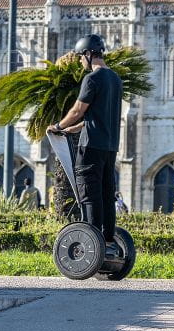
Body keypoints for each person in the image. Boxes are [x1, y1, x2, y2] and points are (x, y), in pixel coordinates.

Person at [48, 34, 124, 256]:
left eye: (82, 57)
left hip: (90, 148)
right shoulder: (115, 79)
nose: (81, 62)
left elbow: (78, 110)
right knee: (106, 195)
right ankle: (108, 242)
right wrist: (74, 129)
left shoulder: (92, 79)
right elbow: (98, 115)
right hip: (109, 148)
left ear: (89, 54)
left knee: (89, 195)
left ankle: (93, 245)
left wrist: (59, 126)